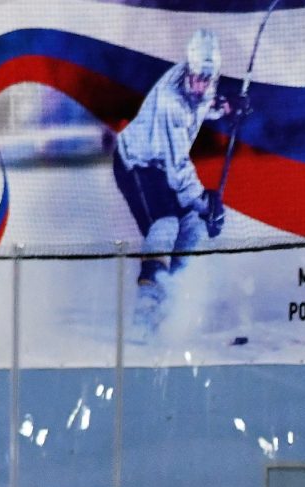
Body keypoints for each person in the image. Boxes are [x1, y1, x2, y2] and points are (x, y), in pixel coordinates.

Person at [112, 28, 231, 334]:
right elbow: (178, 170)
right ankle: (147, 303)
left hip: (161, 166)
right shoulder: (170, 101)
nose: (200, 83)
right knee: (165, 224)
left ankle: (174, 293)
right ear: (187, 67)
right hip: (136, 163)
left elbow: (201, 105)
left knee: (193, 225)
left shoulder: (201, 88)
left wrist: (223, 108)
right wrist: (205, 202)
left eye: (207, 78)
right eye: (196, 76)